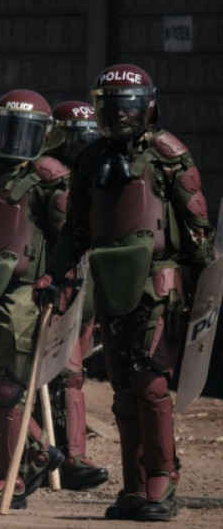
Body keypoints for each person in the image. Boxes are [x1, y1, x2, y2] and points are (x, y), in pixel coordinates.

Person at [39, 64, 214, 521]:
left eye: (126, 106)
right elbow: (76, 228)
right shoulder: (90, 159)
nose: (117, 114)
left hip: (161, 282)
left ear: (147, 107)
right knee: (122, 387)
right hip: (110, 280)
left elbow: (198, 230)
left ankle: (162, 480)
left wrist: (202, 295)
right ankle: (135, 485)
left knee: (152, 383)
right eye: (109, 106)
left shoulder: (168, 156)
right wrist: (54, 275)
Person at [0, 89, 68, 510]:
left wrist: (59, 282)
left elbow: (69, 238)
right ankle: (38, 450)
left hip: (24, 291)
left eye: (25, 132)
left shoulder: (48, 179)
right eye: (9, 129)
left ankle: (10, 479)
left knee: (5, 385)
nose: (15, 141)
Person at [40, 101, 109, 491]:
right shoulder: (46, 173)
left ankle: (69, 455)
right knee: (64, 374)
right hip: (55, 282)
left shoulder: (97, 173)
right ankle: (61, 456)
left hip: (86, 282)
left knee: (73, 375)